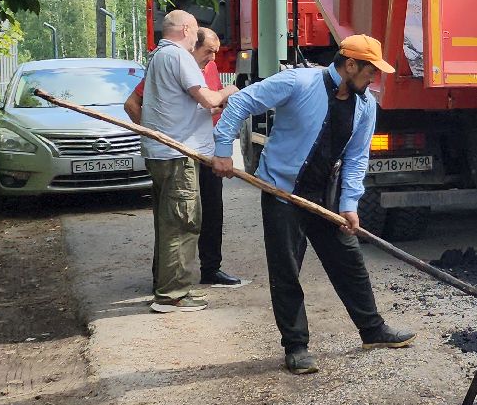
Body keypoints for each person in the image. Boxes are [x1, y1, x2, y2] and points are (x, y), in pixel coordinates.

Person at [211, 35, 415, 374]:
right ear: (350, 64)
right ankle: (296, 346)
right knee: (286, 269)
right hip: (283, 193)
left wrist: (349, 204)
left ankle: (372, 329)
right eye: (370, 71)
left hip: (325, 196)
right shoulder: (298, 81)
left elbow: (356, 158)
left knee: (349, 261)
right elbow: (240, 102)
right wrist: (221, 150)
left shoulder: (364, 106)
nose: (373, 79)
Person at [127, 27, 244, 289]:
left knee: (212, 211)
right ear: (192, 46)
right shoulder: (174, 65)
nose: (213, 58)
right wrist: (159, 135)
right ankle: (167, 280)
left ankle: (210, 269)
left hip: (206, 150)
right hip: (180, 154)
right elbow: (132, 105)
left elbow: (210, 104)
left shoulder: (208, 68)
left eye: (216, 52)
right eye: (208, 52)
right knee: (179, 219)